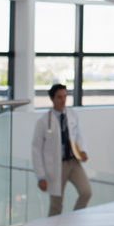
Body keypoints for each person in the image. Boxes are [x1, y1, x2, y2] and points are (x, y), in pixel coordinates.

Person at [31, 83, 92, 216]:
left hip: (73, 162)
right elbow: (36, 150)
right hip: (56, 165)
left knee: (86, 192)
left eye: (64, 96)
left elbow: (79, 135)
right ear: (52, 99)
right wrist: (40, 176)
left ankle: (74, 218)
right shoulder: (42, 122)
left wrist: (83, 151)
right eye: (59, 97)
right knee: (56, 205)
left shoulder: (72, 115)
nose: (63, 100)